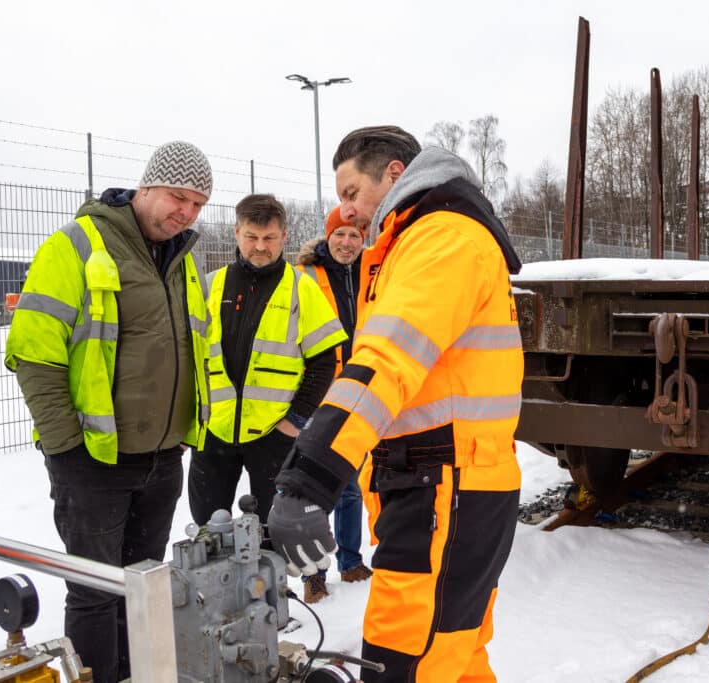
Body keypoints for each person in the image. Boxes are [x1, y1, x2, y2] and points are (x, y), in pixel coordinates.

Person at [268, 126, 524, 682]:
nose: (346, 211)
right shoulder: (412, 243)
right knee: (453, 661)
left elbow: (384, 362)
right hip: (441, 485)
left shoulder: (440, 240)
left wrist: (307, 479)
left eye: (351, 193)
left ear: (392, 174)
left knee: (403, 662)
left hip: (444, 487)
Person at [5, 140, 214, 683]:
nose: (186, 213)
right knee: (96, 591)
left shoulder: (182, 260)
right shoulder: (74, 246)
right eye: (178, 197)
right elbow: (34, 353)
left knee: (142, 587)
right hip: (93, 460)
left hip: (163, 458)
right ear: (146, 186)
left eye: (198, 204)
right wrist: (66, 449)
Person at [188, 194, 347, 534]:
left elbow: (324, 363)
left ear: (284, 236)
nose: (260, 247)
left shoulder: (301, 289)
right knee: (207, 534)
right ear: (236, 233)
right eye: (251, 237)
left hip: (274, 436)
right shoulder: (209, 286)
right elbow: (188, 356)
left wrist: (294, 423)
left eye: (269, 238)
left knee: (272, 534)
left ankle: (269, 589)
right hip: (214, 434)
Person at [295, 206, 374, 603]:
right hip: (318, 393)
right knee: (314, 487)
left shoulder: (370, 275)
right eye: (340, 234)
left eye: (355, 236)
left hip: (358, 391)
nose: (347, 243)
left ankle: (351, 561)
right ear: (328, 237)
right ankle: (314, 573)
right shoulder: (306, 275)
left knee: (351, 486)